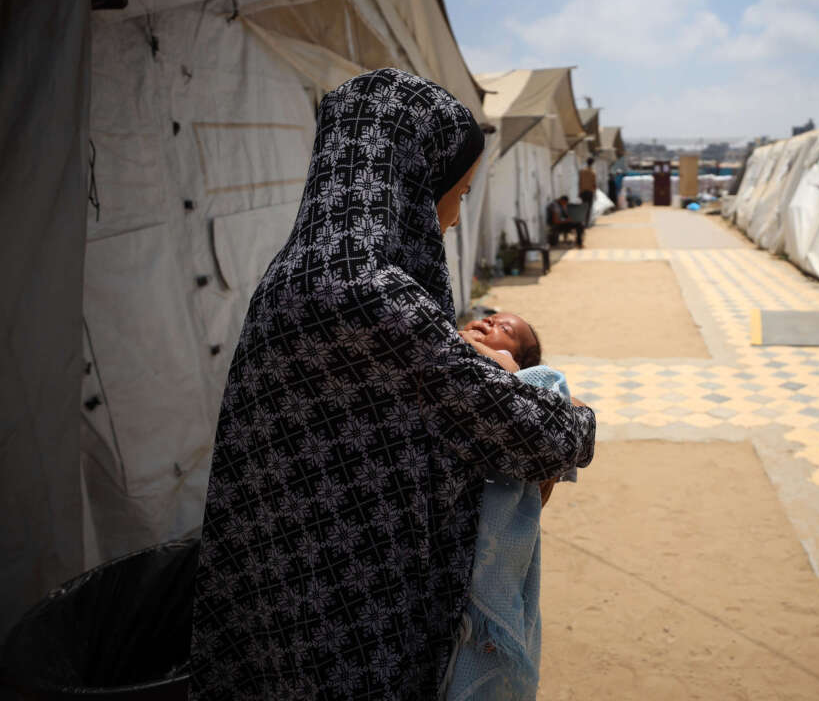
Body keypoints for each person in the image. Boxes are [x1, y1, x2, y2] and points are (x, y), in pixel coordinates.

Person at [188, 68, 595, 701]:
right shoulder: (363, 294)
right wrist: (570, 410)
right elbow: (532, 432)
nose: (454, 219)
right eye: (456, 194)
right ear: (409, 185)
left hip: (285, 596)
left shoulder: (298, 271)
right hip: (340, 624)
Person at [446, 312, 576, 700]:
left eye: (506, 330)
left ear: (518, 362)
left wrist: (493, 360)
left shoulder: (522, 390)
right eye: (491, 316)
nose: (491, 321)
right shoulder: (436, 350)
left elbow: (561, 409)